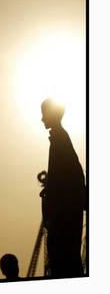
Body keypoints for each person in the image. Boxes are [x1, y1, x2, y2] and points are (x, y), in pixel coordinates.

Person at [40, 98, 86, 278]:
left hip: (64, 215)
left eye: (44, 114)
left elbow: (70, 177)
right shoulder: (60, 140)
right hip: (66, 212)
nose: (42, 119)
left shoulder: (60, 141)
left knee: (63, 261)